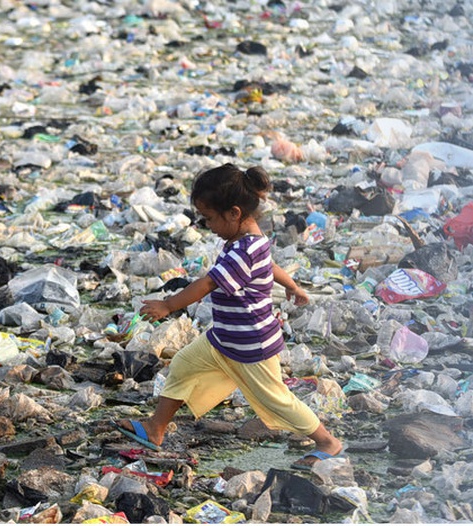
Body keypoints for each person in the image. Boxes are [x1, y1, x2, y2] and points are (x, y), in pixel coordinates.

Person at [115, 163, 344, 470]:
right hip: (225, 337)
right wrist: (292, 285)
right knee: (183, 364)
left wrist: (169, 305)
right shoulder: (249, 241)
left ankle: (327, 442)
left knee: (276, 399)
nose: (207, 225)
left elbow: (209, 282)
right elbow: (270, 266)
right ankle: (156, 428)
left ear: (234, 213)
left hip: (250, 346)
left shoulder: (244, 249)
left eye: (210, 218)